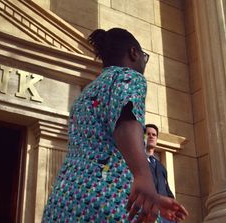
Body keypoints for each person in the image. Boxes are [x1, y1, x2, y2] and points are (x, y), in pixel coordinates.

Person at [41, 27, 188, 222]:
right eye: (144, 56)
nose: (144, 61)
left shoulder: (85, 95)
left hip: (63, 202)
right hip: (105, 203)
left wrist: (153, 199)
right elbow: (126, 118)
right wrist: (144, 176)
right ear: (134, 53)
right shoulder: (128, 77)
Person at [145, 124, 175, 223]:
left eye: (154, 135)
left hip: (163, 216)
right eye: (148, 134)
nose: (151, 136)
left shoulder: (161, 167)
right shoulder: (137, 162)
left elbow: (167, 191)